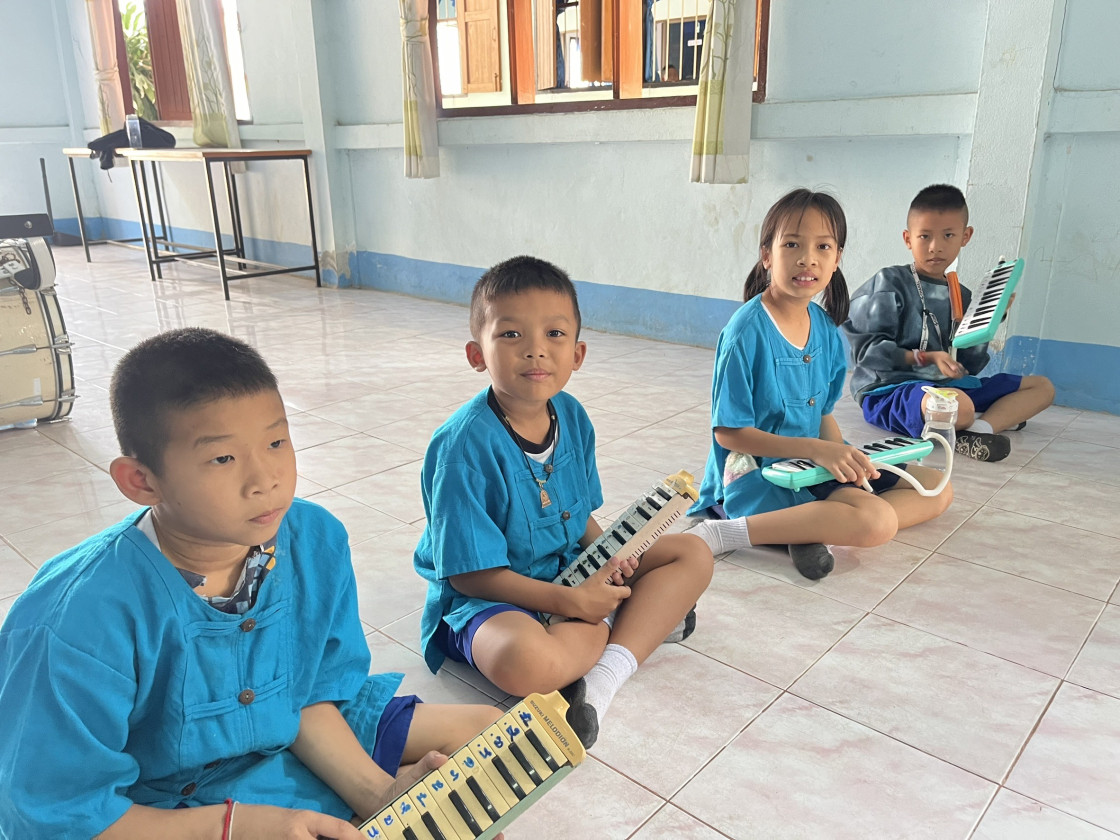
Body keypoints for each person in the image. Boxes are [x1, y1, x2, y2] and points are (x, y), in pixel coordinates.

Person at [0, 328, 502, 840]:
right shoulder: (73, 619)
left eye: (276, 442)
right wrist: (236, 826)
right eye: (223, 458)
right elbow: (54, 814)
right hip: (161, 807)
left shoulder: (314, 539)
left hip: (279, 747)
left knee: (489, 742)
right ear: (141, 481)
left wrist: (379, 797)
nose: (266, 479)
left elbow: (307, 695)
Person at [414, 256, 713, 748]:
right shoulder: (461, 447)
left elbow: (581, 520)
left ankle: (602, 673)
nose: (536, 349)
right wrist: (572, 603)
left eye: (554, 334)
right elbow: (469, 576)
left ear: (578, 354)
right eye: (511, 334)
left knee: (693, 553)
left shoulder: (571, 416)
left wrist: (613, 558)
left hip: (570, 571)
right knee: (528, 662)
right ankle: (628, 627)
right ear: (476, 354)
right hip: (491, 599)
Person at [689, 189, 953, 580]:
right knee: (877, 522)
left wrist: (841, 461)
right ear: (767, 255)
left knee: (937, 487)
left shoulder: (827, 331)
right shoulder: (745, 332)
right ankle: (724, 532)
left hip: (813, 463)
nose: (807, 258)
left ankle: (806, 528)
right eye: (792, 244)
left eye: (823, 247)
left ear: (836, 259)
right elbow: (729, 434)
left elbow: (824, 414)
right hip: (759, 473)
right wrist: (817, 451)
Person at [842, 183, 1055, 462]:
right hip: (892, 391)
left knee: (1041, 387)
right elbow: (866, 353)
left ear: (965, 236)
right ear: (908, 239)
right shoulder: (889, 282)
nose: (936, 247)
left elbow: (970, 366)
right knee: (959, 406)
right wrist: (927, 357)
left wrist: (990, 320)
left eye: (948, 235)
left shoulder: (961, 295)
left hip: (948, 389)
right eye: (924, 236)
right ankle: (981, 419)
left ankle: (976, 430)